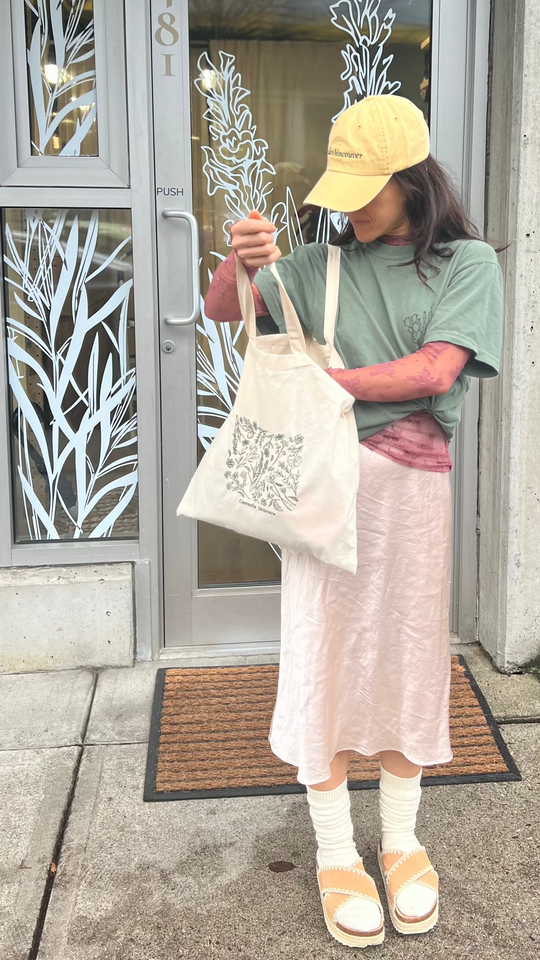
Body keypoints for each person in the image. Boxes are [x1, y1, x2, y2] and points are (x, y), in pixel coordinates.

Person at [204, 95, 503, 948]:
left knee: (409, 654)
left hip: (411, 496)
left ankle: (404, 842)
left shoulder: (468, 262)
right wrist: (240, 260)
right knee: (324, 659)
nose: (351, 207)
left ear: (414, 182)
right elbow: (229, 310)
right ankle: (339, 854)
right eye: (344, 191)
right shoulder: (317, 265)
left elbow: (436, 369)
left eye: (369, 190)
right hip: (319, 493)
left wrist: (324, 388)